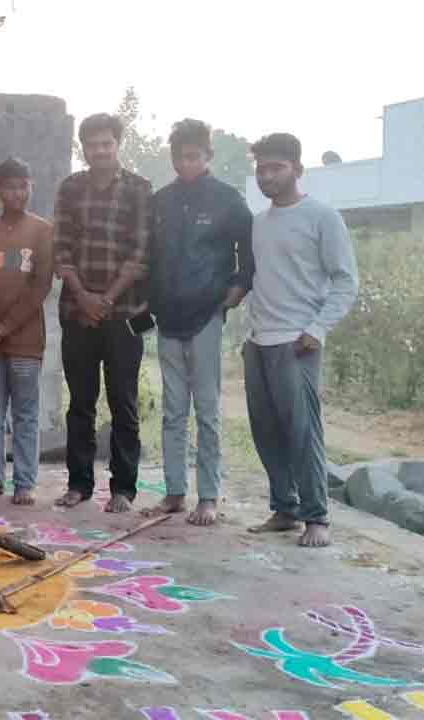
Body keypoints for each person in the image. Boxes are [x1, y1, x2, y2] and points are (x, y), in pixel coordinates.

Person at [244, 133, 358, 548]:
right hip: (258, 341)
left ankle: (317, 518)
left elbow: (346, 281)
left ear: (297, 169)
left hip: (298, 342)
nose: (267, 176)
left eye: (276, 168)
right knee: (266, 431)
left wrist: (318, 328)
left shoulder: (322, 217)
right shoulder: (258, 223)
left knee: (303, 431)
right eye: (261, 169)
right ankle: (285, 508)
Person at [141, 119, 255, 526]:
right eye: (179, 157)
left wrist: (234, 294)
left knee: (206, 410)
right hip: (167, 318)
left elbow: (249, 253)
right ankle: (174, 493)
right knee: (173, 412)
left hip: (206, 316)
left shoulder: (227, 200)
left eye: (193, 156)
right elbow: (148, 257)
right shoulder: (161, 201)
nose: (185, 163)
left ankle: (208, 495)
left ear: (207, 156)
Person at [53, 112, 154, 514]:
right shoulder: (71, 188)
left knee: (123, 401)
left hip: (124, 312)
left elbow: (141, 253)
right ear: (83, 148)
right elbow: (61, 247)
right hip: (77, 311)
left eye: (106, 143)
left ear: (117, 144)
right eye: (92, 144)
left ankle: (123, 489)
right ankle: (79, 483)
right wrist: (84, 298)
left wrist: (106, 300)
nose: (99, 151)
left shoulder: (139, 190)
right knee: (80, 401)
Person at [0, 158, 54, 505]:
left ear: (31, 187)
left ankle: (25, 482)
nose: (18, 193)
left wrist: (9, 324)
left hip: (26, 340)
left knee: (25, 412)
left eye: (23, 185)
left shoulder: (43, 231)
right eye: (11, 186)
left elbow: (41, 284)